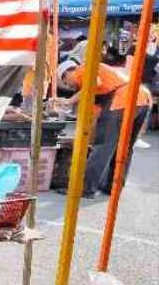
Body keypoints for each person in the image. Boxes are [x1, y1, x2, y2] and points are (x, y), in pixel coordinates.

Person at [58, 55, 152, 197]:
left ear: (68, 72)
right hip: (142, 98)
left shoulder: (82, 70)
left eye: (65, 82)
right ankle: (113, 188)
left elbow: (93, 84)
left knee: (103, 146)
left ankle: (85, 188)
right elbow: (96, 116)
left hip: (123, 100)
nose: (70, 86)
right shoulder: (102, 79)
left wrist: (69, 101)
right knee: (124, 148)